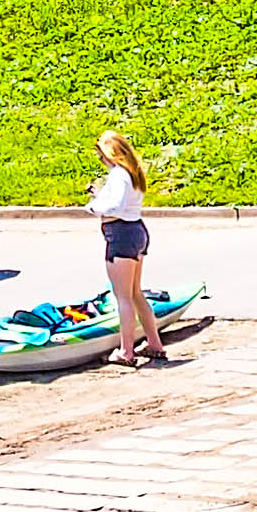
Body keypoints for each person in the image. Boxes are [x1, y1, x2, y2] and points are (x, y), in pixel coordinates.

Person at [91, 130, 174, 367]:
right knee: (136, 293)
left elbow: (115, 207)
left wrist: (95, 208)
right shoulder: (132, 173)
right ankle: (155, 344)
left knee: (123, 297)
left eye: (102, 156)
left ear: (111, 154)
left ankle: (126, 351)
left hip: (121, 235)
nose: (101, 161)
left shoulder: (118, 175)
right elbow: (124, 202)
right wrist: (99, 196)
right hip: (136, 230)